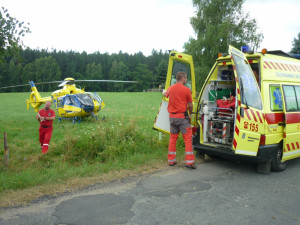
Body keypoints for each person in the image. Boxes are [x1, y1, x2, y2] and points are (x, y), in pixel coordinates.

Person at [163, 71, 196, 169]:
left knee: (173, 139)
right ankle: (189, 162)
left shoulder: (171, 88)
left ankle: (171, 160)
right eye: (186, 78)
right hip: (182, 118)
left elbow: (165, 94)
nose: (186, 80)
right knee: (187, 139)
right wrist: (190, 114)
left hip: (172, 118)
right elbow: (190, 105)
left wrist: (165, 93)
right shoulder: (186, 90)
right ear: (182, 78)